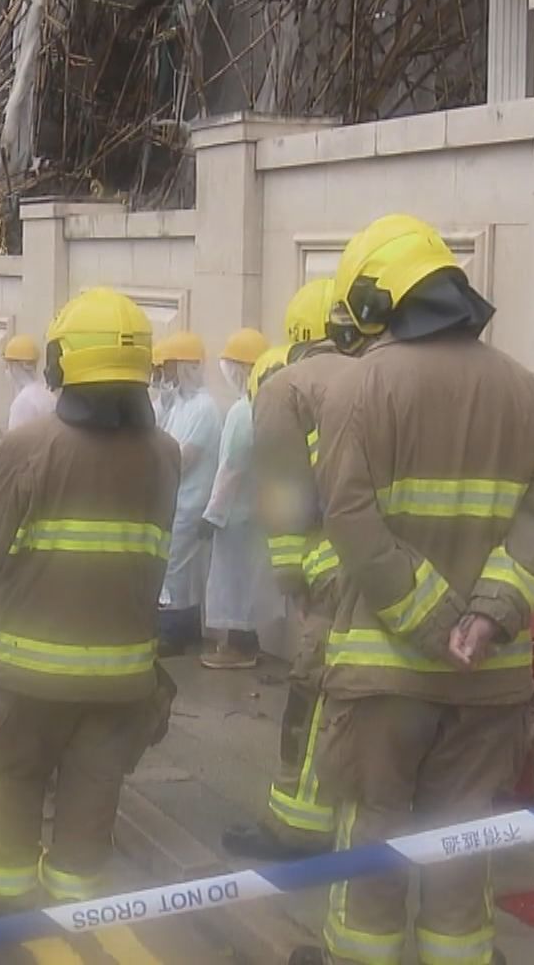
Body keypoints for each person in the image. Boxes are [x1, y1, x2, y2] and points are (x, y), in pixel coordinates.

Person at [295, 215, 534, 965]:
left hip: (384, 677)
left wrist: (430, 620)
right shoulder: (525, 389)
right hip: (487, 681)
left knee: (374, 843)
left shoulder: (358, 390)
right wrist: (486, 619)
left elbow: (348, 519)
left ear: (378, 301)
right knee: (461, 847)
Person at [0, 288, 179, 922]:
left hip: (27, 676)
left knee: (10, 785)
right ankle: (77, 923)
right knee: (90, 806)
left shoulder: (27, 447)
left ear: (63, 364)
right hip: (122, 678)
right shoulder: (165, 455)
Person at [222, 279, 353, 861]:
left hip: (332, 576)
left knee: (312, 692)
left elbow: (283, 496)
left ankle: (297, 827)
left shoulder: (290, 388)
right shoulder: (386, 379)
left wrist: (292, 577)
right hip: (408, 575)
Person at [201, 327, 272, 669]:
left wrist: (212, 514)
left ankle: (239, 648)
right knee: (249, 580)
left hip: (236, 515)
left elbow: (230, 468)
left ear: (243, 368)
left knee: (233, 582)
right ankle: (248, 643)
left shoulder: (242, 412)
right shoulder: (268, 407)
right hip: (258, 512)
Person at [156, 330, 221, 656]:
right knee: (176, 567)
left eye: (169, 367)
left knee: (176, 569)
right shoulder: (179, 404)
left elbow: (183, 457)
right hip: (175, 501)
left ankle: (173, 632)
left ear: (184, 367)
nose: (164, 375)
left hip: (190, 502)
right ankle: (182, 627)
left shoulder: (205, 409)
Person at [3, 334, 56, 431]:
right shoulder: (48, 393)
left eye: (7, 365)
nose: (6, 369)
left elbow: (16, 442)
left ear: (15, 366)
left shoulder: (22, 402)